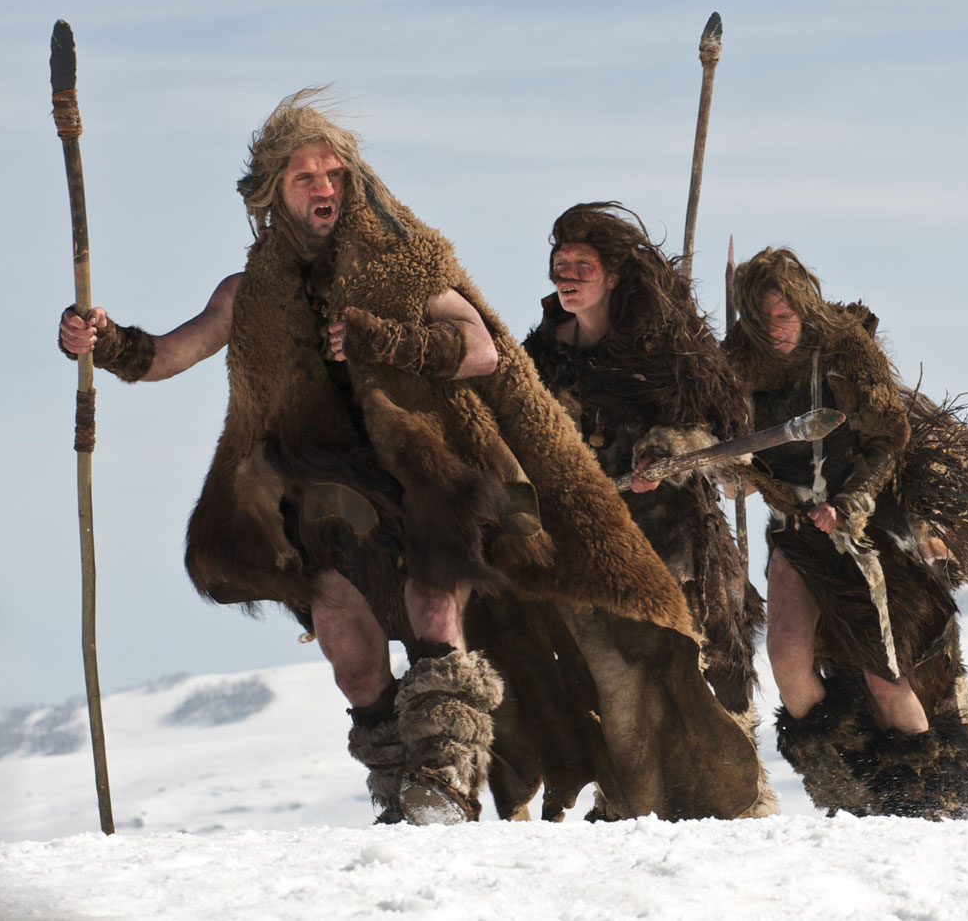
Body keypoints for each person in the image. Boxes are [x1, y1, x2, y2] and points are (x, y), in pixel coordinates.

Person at [58, 90, 763, 826]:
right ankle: (400, 790)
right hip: (325, 494)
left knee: (435, 603)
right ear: (275, 192)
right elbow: (168, 354)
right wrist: (105, 343)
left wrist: (386, 341)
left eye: (333, 173)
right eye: (305, 178)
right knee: (349, 650)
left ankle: (446, 786)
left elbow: (482, 349)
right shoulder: (248, 293)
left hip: (428, 475)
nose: (324, 187)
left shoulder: (406, 260)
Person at [724, 248, 968, 820]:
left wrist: (851, 503)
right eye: (764, 318)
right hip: (794, 531)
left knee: (885, 672)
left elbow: (887, 438)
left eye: (785, 315)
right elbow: (727, 456)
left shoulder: (846, 354)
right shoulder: (735, 371)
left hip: (869, 531)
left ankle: (926, 793)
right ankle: (845, 782)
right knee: (786, 658)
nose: (776, 329)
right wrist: (725, 471)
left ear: (804, 310)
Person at [520, 202, 773, 814]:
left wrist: (668, 448)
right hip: (587, 534)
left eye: (582, 263)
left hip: (673, 528)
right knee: (603, 670)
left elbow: (723, 434)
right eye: (560, 264)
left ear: (612, 275)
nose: (568, 274)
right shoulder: (539, 355)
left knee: (707, 654)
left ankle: (741, 793)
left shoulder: (667, 351)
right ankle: (628, 796)